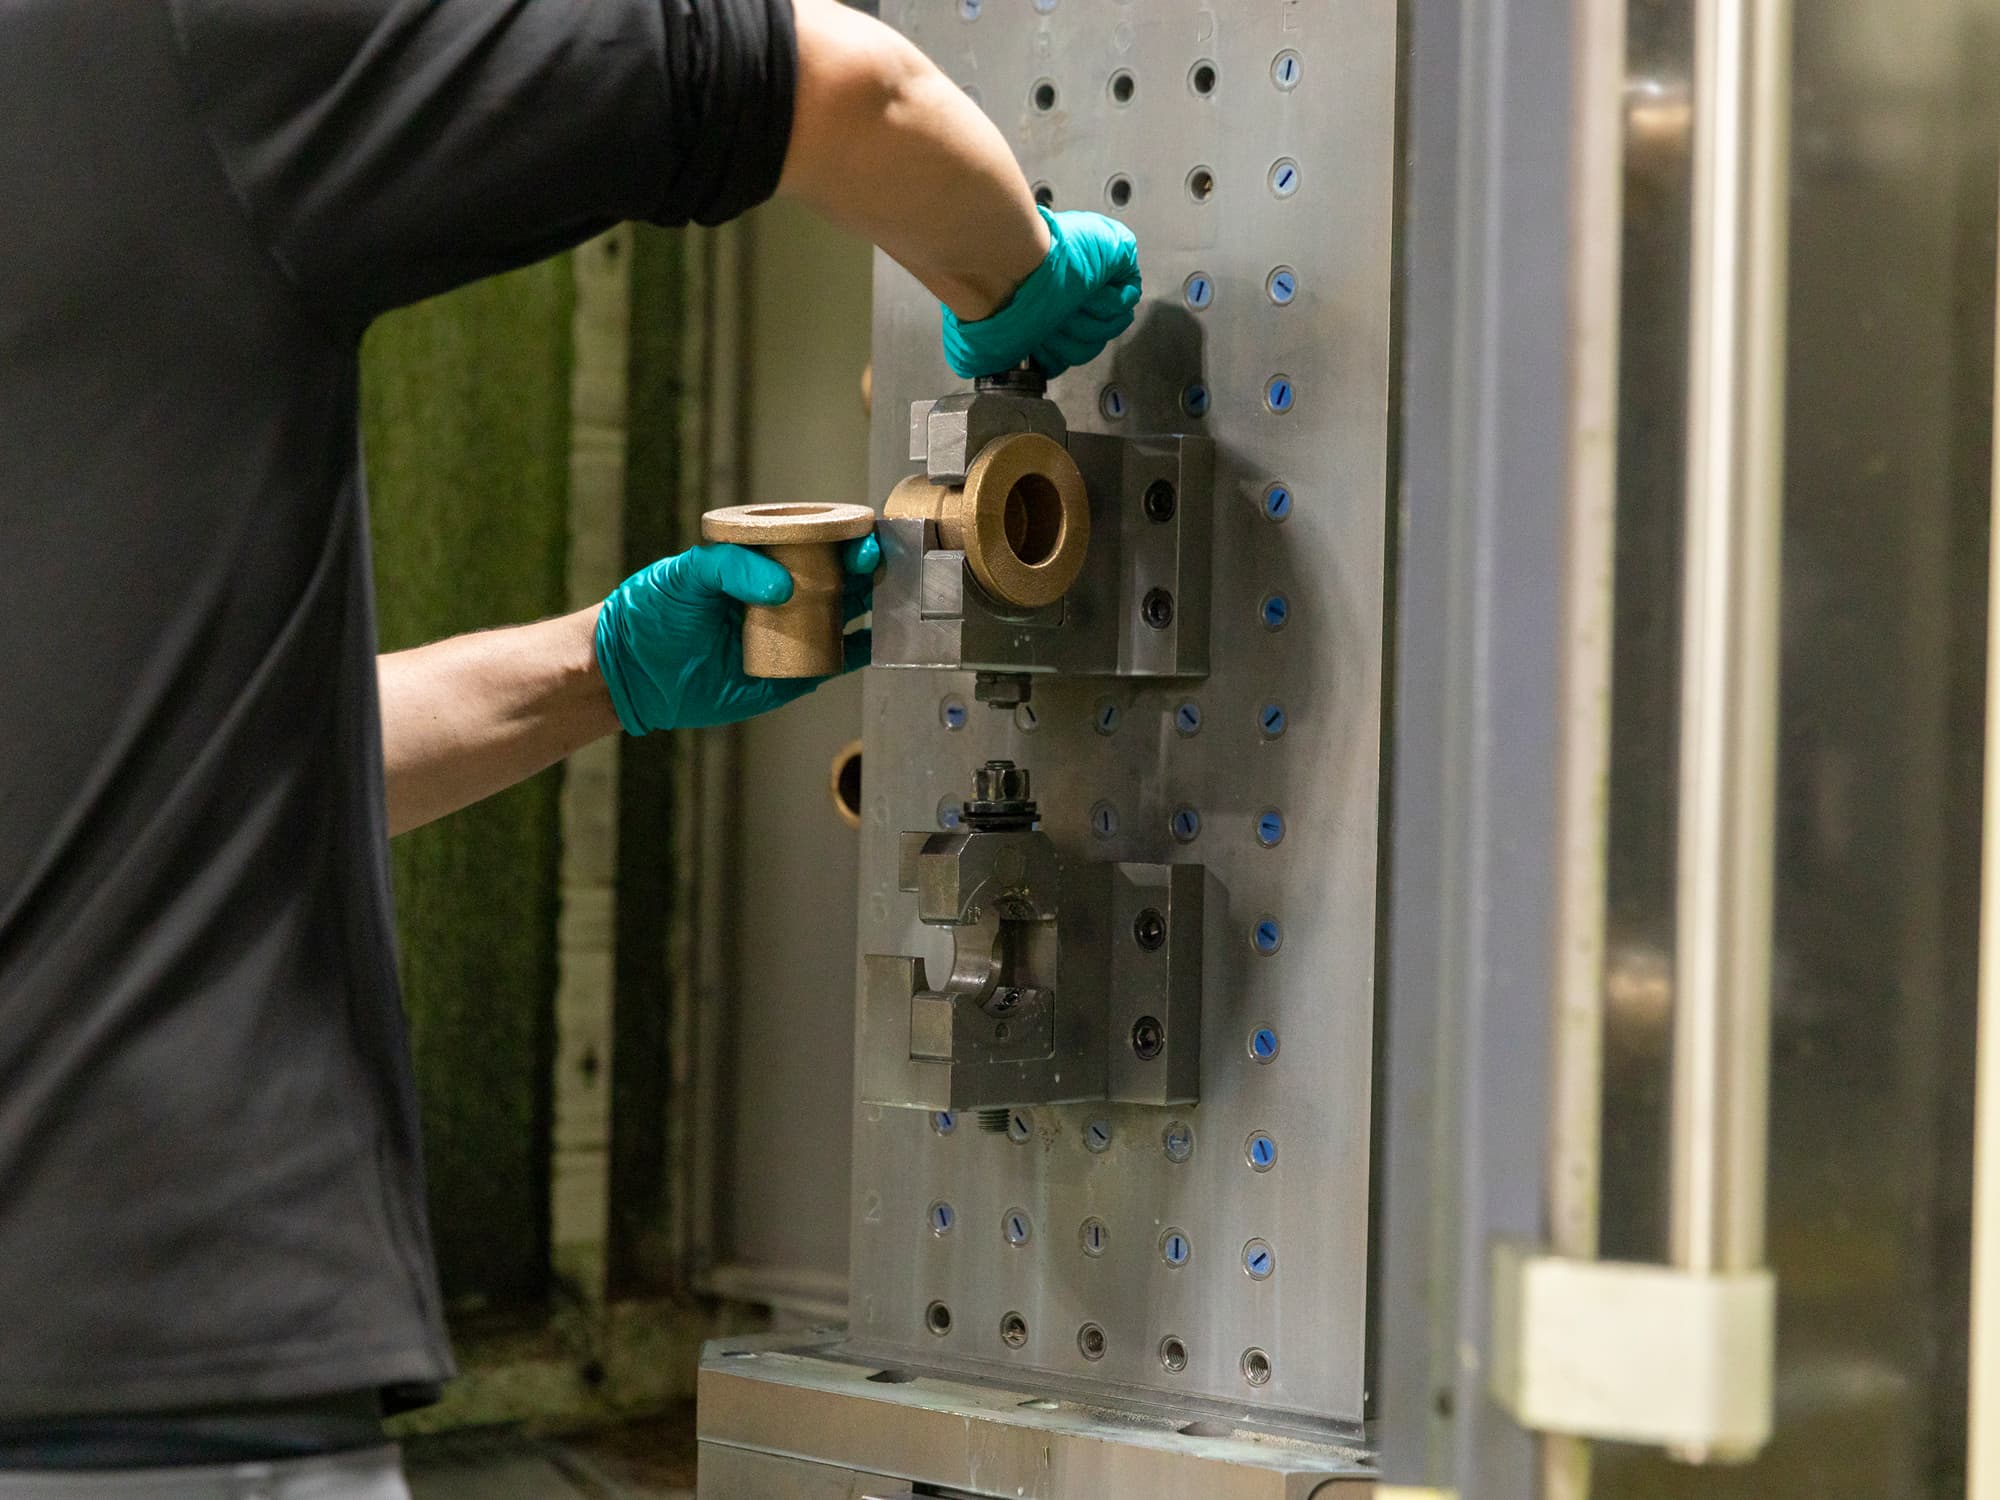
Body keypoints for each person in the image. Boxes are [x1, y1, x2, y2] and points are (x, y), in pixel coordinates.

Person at [0, 0, 1141, 1492]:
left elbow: (137, 783)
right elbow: (843, 86)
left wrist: (599, 666)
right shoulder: (154, 42)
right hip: (145, 1371)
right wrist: (1014, 288)